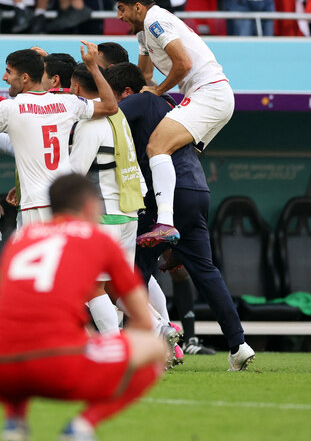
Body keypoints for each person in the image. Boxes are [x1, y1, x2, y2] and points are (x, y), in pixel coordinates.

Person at [0, 173, 166, 441]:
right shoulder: (97, 238)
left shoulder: (22, 238)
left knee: (27, 342)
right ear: (90, 206)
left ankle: (15, 422)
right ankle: (80, 428)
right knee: (154, 347)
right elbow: (144, 319)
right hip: (58, 361)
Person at [104, 61, 255, 371]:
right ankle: (238, 344)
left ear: (127, 92)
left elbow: (107, 117)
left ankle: (145, 343)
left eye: (113, 95)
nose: (111, 101)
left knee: (132, 271)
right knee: (205, 271)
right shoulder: (170, 103)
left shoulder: (141, 101)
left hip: (166, 196)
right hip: (197, 190)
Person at [0, 44, 117, 228]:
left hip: (36, 204)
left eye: (9, 72)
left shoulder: (10, 108)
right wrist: (92, 66)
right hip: (64, 203)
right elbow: (111, 106)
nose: (5, 77)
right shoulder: (68, 102)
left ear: (25, 77)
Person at [110, 0, 233, 248]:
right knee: (177, 160)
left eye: (122, 9)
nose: (119, 16)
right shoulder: (144, 32)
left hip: (208, 93)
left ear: (138, 7)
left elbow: (183, 64)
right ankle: (178, 239)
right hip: (209, 95)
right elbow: (144, 76)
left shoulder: (155, 20)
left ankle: (166, 223)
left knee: (157, 146)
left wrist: (158, 92)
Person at [68, 63, 145, 336]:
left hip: (104, 215)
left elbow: (73, 174)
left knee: (92, 286)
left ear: (76, 88)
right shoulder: (119, 117)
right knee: (117, 286)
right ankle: (159, 325)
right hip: (130, 212)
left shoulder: (91, 122)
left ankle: (114, 346)